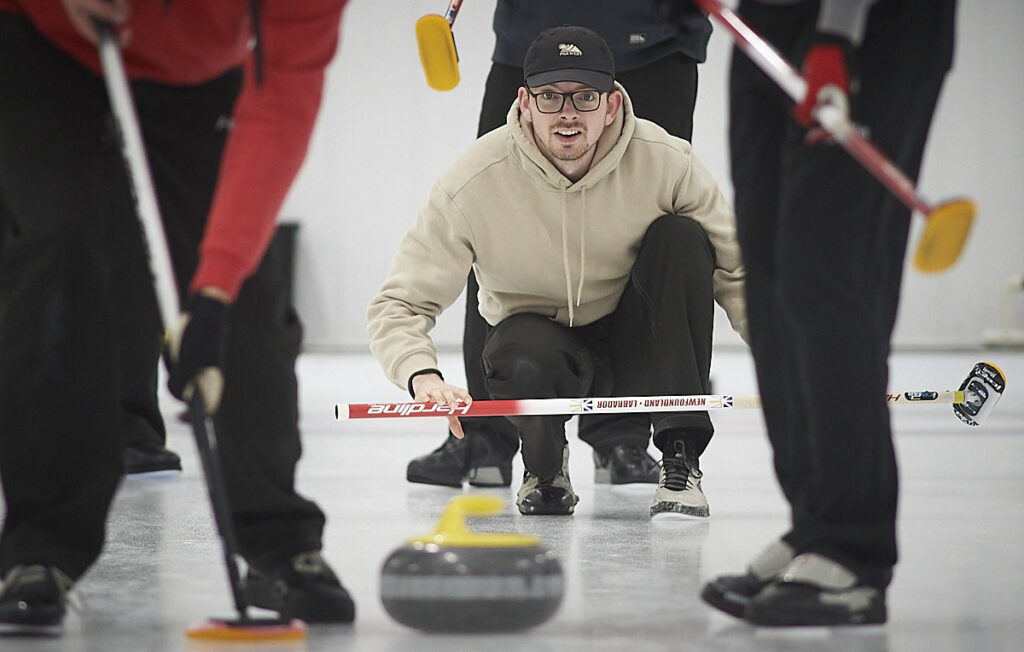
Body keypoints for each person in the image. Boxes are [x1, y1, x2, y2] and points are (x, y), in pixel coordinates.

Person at [0, 0, 354, 634]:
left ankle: (276, 542)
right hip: (39, 45)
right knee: (57, 253)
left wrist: (214, 294)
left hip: (194, 76)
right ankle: (40, 549)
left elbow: (281, 104)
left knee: (248, 295)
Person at [368, 25, 747, 518]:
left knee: (683, 239)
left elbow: (741, 273)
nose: (567, 114)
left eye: (585, 97)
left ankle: (679, 460)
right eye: (550, 97)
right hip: (542, 355)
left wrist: (791, 362)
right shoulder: (475, 179)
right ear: (524, 102)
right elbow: (399, 303)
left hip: (640, 348)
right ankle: (545, 468)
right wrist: (422, 375)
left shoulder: (667, 161)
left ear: (611, 105)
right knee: (514, 345)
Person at [699, 0, 956, 626]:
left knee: (825, 278)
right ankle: (815, 522)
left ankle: (853, 544)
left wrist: (837, 33)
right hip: (765, 22)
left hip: (864, 26)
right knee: (773, 279)